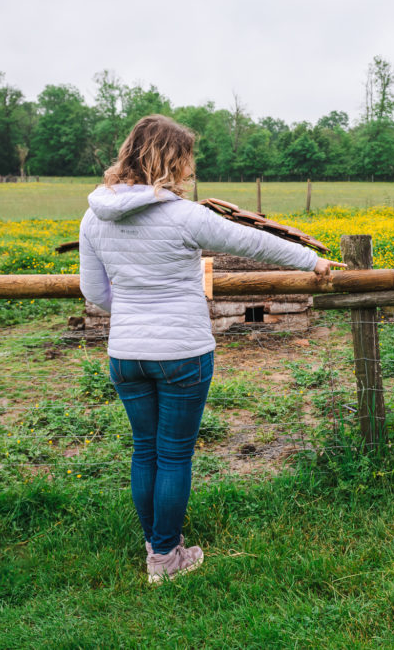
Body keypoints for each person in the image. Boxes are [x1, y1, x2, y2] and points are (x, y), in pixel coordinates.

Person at [79, 114, 344, 583]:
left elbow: (95, 292)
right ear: (172, 160)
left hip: (125, 352)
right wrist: (312, 261)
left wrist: (136, 313)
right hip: (182, 351)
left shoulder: (94, 213)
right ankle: (165, 558)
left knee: (145, 450)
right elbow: (254, 241)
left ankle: (156, 544)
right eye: (186, 159)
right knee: (175, 453)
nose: (189, 169)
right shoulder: (184, 215)